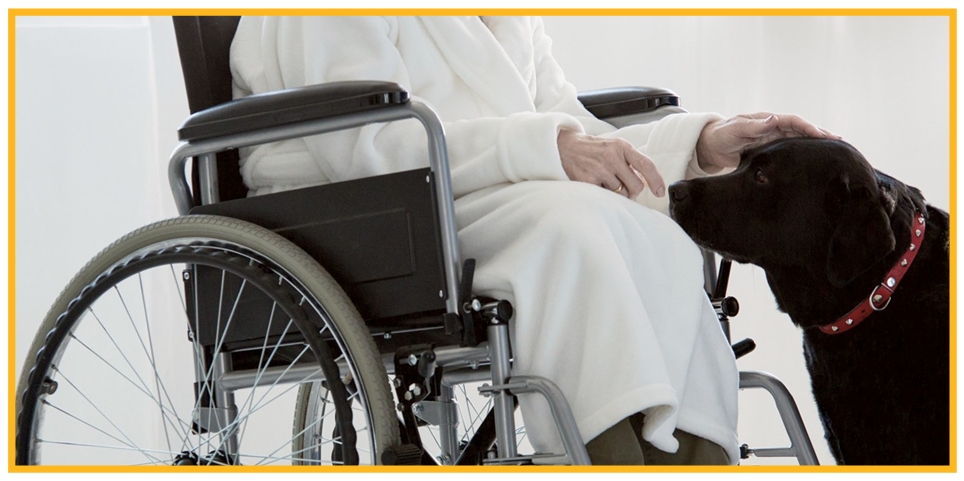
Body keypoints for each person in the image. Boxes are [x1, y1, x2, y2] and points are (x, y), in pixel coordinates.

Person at [229, 16, 836, 465]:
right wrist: (545, 147)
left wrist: (701, 145)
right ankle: (608, 453)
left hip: (481, 196)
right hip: (366, 213)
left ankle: (694, 456)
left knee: (657, 238)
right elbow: (370, 148)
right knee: (573, 233)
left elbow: (577, 131)